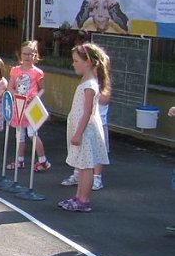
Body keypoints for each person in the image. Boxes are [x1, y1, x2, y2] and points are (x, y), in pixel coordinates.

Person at [59, 42, 110, 212]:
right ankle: (79, 196)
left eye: (76, 60)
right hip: (81, 129)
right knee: (81, 166)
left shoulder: (89, 85)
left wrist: (78, 134)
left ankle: (84, 200)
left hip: (85, 131)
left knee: (86, 166)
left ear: (87, 61)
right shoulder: (87, 81)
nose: (73, 64)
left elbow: (87, 112)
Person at [7, 40, 51, 172]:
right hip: (19, 104)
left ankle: (43, 160)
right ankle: (20, 160)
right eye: (24, 54)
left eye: (30, 54)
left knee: (33, 133)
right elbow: (10, 87)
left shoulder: (37, 72)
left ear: (35, 55)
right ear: (20, 55)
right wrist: (16, 95)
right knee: (19, 133)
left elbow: (42, 88)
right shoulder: (15, 70)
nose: (27, 57)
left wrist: (36, 97)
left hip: (32, 106)